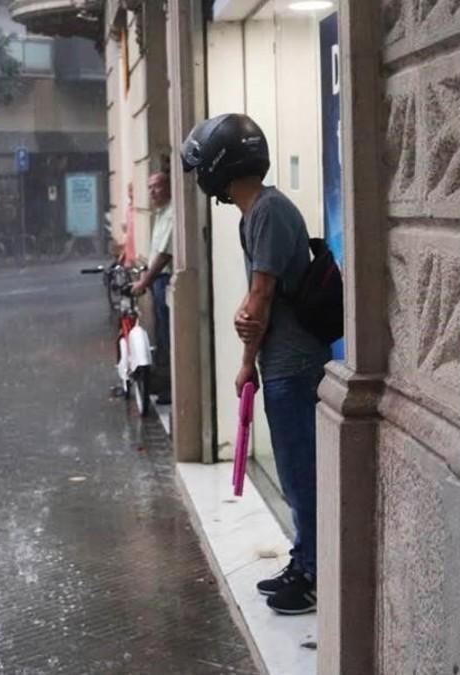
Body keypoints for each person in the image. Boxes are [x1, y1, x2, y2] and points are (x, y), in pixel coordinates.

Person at [180, 113, 330, 615]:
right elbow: (256, 297)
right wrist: (249, 320)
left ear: (218, 167)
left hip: (291, 364)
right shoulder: (260, 212)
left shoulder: (266, 212)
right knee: (293, 471)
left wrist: (247, 361)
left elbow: (260, 295)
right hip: (284, 360)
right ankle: (304, 558)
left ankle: (313, 576)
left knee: (298, 472)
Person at [130, 171, 174, 404]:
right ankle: (163, 382)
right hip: (157, 281)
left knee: (168, 336)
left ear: (168, 187)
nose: (152, 192)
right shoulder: (161, 213)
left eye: (157, 186)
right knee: (161, 334)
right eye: (149, 188)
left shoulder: (172, 214)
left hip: (164, 281)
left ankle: (170, 387)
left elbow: (166, 253)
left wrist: (145, 281)